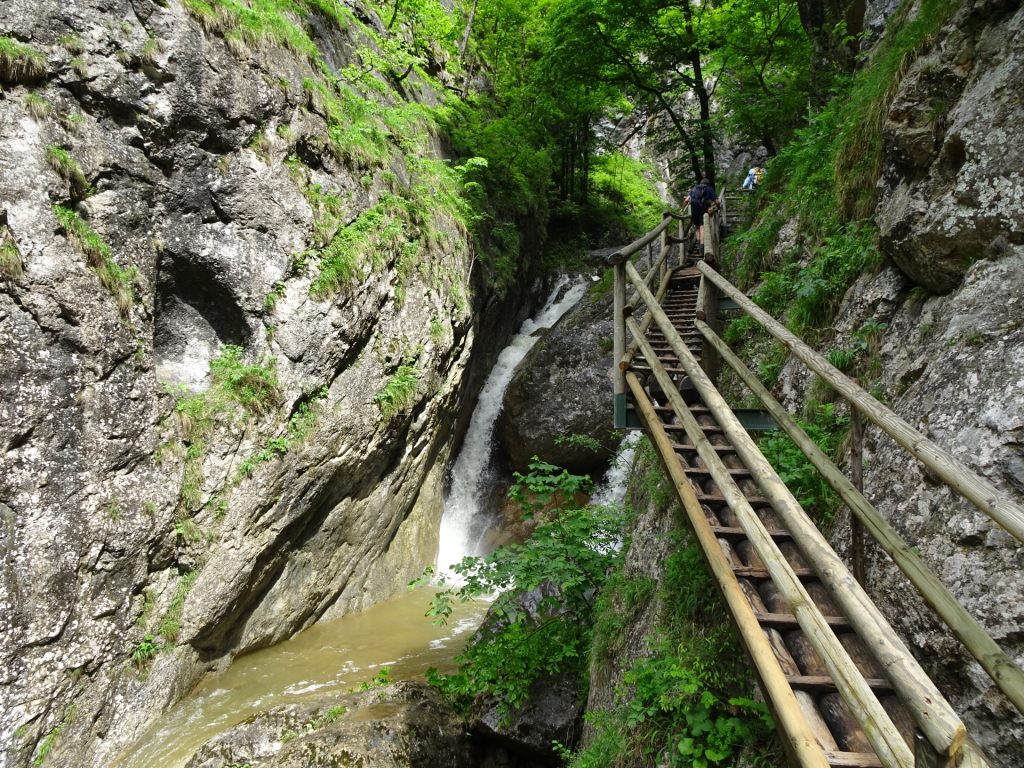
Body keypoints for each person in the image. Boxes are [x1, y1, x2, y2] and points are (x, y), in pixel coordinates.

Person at [687, 177, 717, 247]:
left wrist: (682, 209)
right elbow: (716, 201)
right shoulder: (710, 189)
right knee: (702, 226)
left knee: (697, 227)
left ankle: (698, 241)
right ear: (708, 184)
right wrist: (718, 206)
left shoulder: (695, 188)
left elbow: (687, 200)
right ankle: (702, 245)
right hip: (703, 209)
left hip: (694, 209)